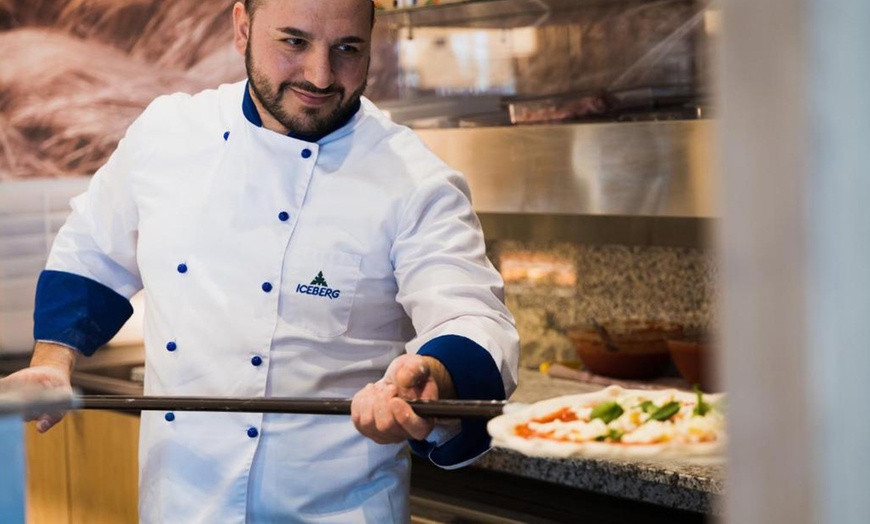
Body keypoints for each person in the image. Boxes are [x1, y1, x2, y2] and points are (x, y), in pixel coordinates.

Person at [0, 0, 520, 522]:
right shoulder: (168, 133)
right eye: (293, 42)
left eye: (347, 48)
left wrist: (434, 373)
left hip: (336, 512)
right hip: (179, 506)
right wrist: (51, 363)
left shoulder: (415, 180)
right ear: (242, 28)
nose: (320, 75)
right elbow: (90, 254)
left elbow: (472, 319)